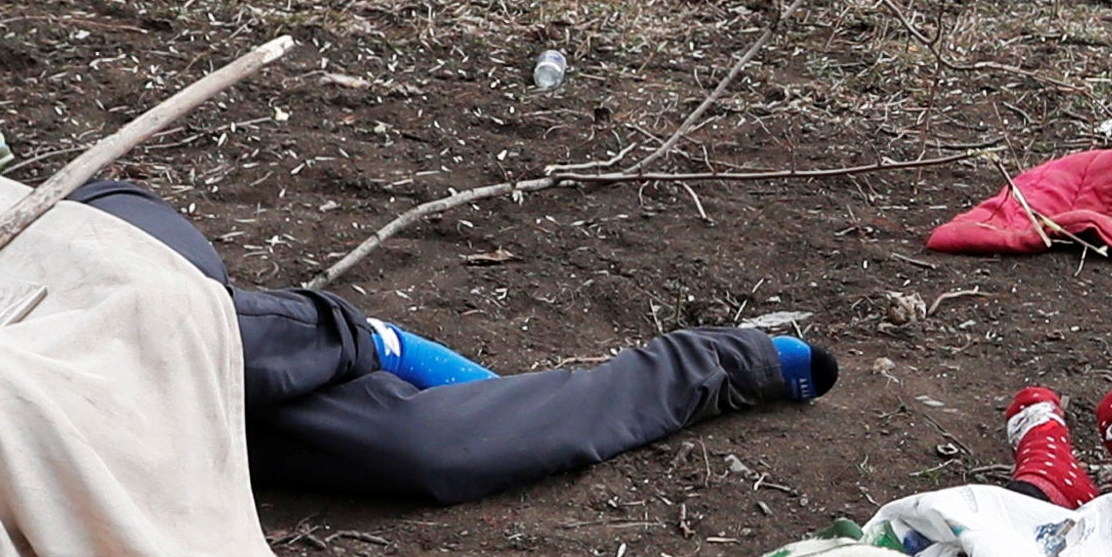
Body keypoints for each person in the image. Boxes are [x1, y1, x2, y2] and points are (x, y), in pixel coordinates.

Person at [70, 180, 830, 505]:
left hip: (93, 251)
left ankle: (359, 340)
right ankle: (712, 364)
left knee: (162, 334)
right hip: (121, 427)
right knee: (434, 450)